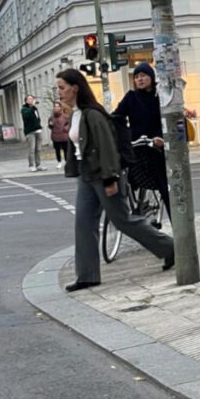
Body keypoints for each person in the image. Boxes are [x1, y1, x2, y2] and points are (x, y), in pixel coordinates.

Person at [56, 68, 174, 292]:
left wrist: (110, 178)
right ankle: (87, 275)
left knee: (122, 220)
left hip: (104, 173)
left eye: (62, 87)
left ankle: (170, 248)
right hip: (87, 174)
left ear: (75, 88)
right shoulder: (76, 113)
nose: (59, 92)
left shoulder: (93, 114)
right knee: (83, 224)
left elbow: (107, 147)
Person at [113, 63, 171, 219]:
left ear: (151, 77)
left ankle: (177, 228)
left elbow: (166, 119)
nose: (140, 79)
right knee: (127, 176)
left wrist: (161, 138)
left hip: (155, 146)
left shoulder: (160, 96)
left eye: (143, 76)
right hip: (136, 145)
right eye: (137, 77)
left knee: (164, 187)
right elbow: (117, 116)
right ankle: (138, 206)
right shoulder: (131, 97)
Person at [20, 95, 45, 171]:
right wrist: (32, 107)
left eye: (32, 98)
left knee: (38, 149)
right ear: (26, 101)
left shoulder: (34, 109)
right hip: (30, 132)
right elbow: (27, 116)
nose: (32, 100)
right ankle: (31, 165)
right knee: (32, 149)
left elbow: (37, 118)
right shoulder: (24, 109)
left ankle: (38, 164)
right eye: (30, 99)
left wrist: (39, 125)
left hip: (38, 130)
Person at [47, 102, 70, 169]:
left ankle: (66, 162)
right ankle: (59, 162)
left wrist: (65, 128)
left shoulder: (65, 116)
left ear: (60, 108)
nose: (56, 108)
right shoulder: (51, 117)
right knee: (57, 150)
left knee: (66, 150)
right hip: (55, 136)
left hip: (64, 136)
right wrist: (50, 125)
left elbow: (69, 124)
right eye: (55, 106)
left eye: (58, 106)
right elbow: (49, 125)